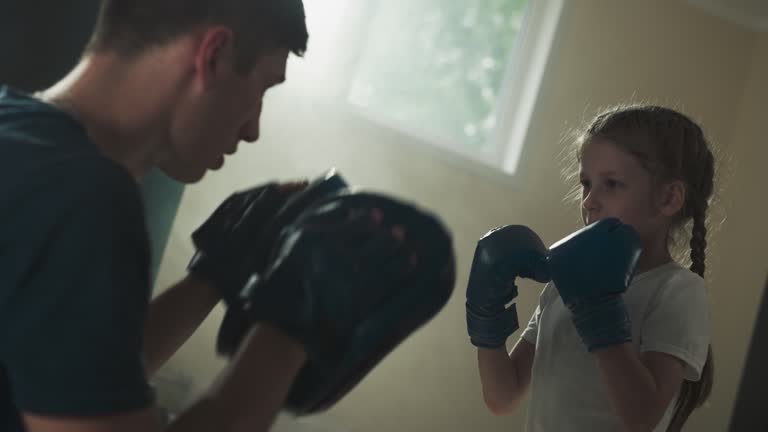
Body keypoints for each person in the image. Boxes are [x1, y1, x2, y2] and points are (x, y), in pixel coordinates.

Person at [0, 1, 440, 431]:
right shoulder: (84, 200)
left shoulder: (20, 136)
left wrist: (213, 275)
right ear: (213, 56)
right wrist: (291, 327)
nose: (253, 129)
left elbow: (71, 380)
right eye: (264, 88)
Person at [465, 104, 715, 431]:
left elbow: (641, 419)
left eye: (611, 184)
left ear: (668, 198)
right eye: (586, 183)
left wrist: (598, 311)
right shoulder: (563, 282)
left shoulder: (677, 291)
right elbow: (503, 398)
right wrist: (487, 315)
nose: (589, 200)